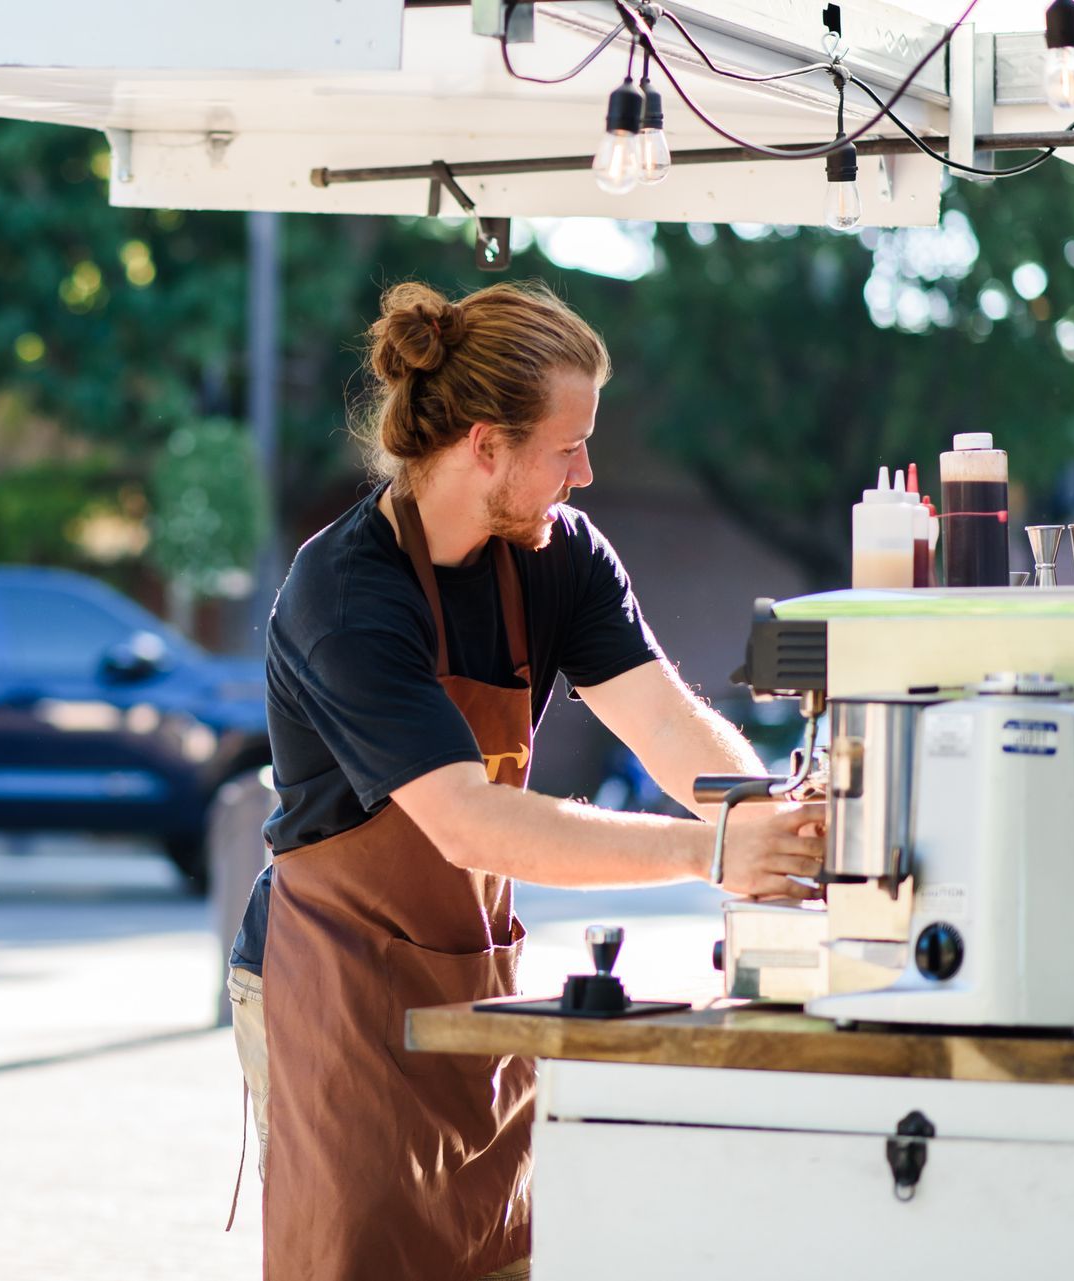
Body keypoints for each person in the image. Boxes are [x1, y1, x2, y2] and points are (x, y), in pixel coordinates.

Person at [228, 281, 825, 1281]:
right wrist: (711, 851)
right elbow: (467, 823)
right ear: (482, 444)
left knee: (494, 1253)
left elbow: (669, 726)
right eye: (567, 445)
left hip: (469, 970)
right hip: (327, 983)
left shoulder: (559, 556)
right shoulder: (344, 592)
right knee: (363, 1257)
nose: (587, 473)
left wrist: (772, 825)